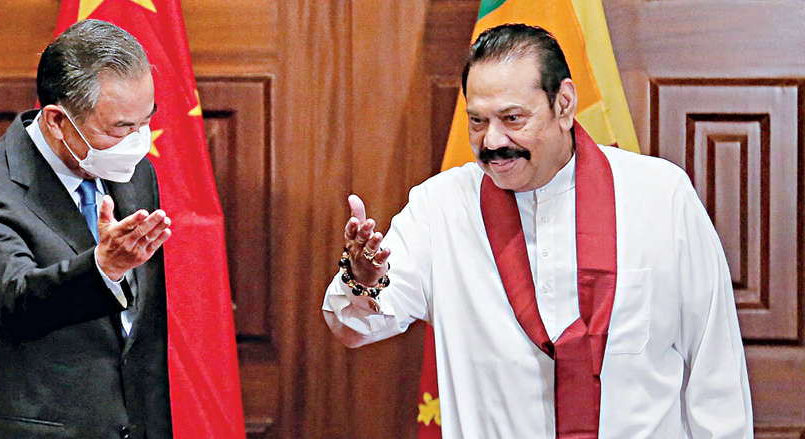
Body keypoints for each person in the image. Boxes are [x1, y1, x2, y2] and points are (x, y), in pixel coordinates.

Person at [322, 24, 753, 438]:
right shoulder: (440, 207)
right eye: (477, 121)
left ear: (564, 105)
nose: (492, 141)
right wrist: (362, 280)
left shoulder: (661, 196)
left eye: (512, 118)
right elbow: (353, 327)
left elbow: (716, 371)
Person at [0, 19, 173, 439]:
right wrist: (103, 268)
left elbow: (140, 338)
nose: (138, 141)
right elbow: (16, 304)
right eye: (121, 128)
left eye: (146, 121)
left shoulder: (136, 174)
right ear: (57, 121)